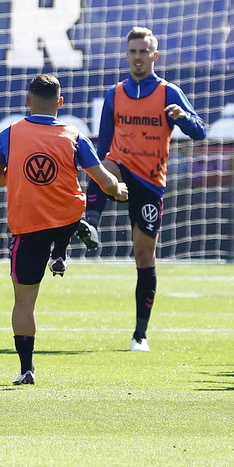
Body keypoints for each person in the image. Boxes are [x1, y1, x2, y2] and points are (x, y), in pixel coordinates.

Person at [0, 74, 128, 385]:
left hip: (27, 225)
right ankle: (61, 249)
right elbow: (104, 180)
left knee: (24, 302)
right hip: (66, 217)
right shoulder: (74, 136)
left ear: (28, 101)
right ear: (60, 103)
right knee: (74, 207)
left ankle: (26, 370)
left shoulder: (11, 133)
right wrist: (119, 190)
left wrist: (17, 178)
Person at [90, 26, 208, 352]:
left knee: (144, 256)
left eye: (144, 52)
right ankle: (90, 222)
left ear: (155, 55)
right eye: (133, 52)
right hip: (120, 167)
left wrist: (183, 118)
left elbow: (200, 132)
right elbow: (102, 146)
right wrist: (100, 178)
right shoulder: (114, 94)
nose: (138, 57)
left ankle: (140, 333)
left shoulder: (169, 92)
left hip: (151, 183)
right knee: (106, 167)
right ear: (126, 55)